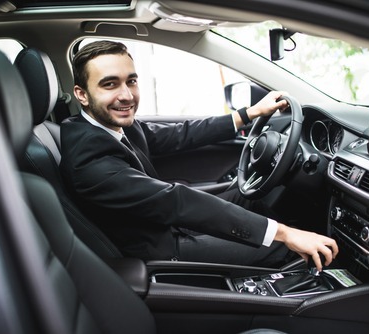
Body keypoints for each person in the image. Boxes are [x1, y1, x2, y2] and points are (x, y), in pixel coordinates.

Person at [60, 40, 338, 270]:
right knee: (285, 249)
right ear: (81, 94)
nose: (127, 96)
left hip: (163, 224)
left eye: (131, 81)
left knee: (248, 195)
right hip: (160, 251)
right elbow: (175, 201)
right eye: (110, 84)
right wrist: (286, 234)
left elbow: (180, 134)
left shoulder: (108, 125)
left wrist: (248, 114)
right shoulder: (89, 160)